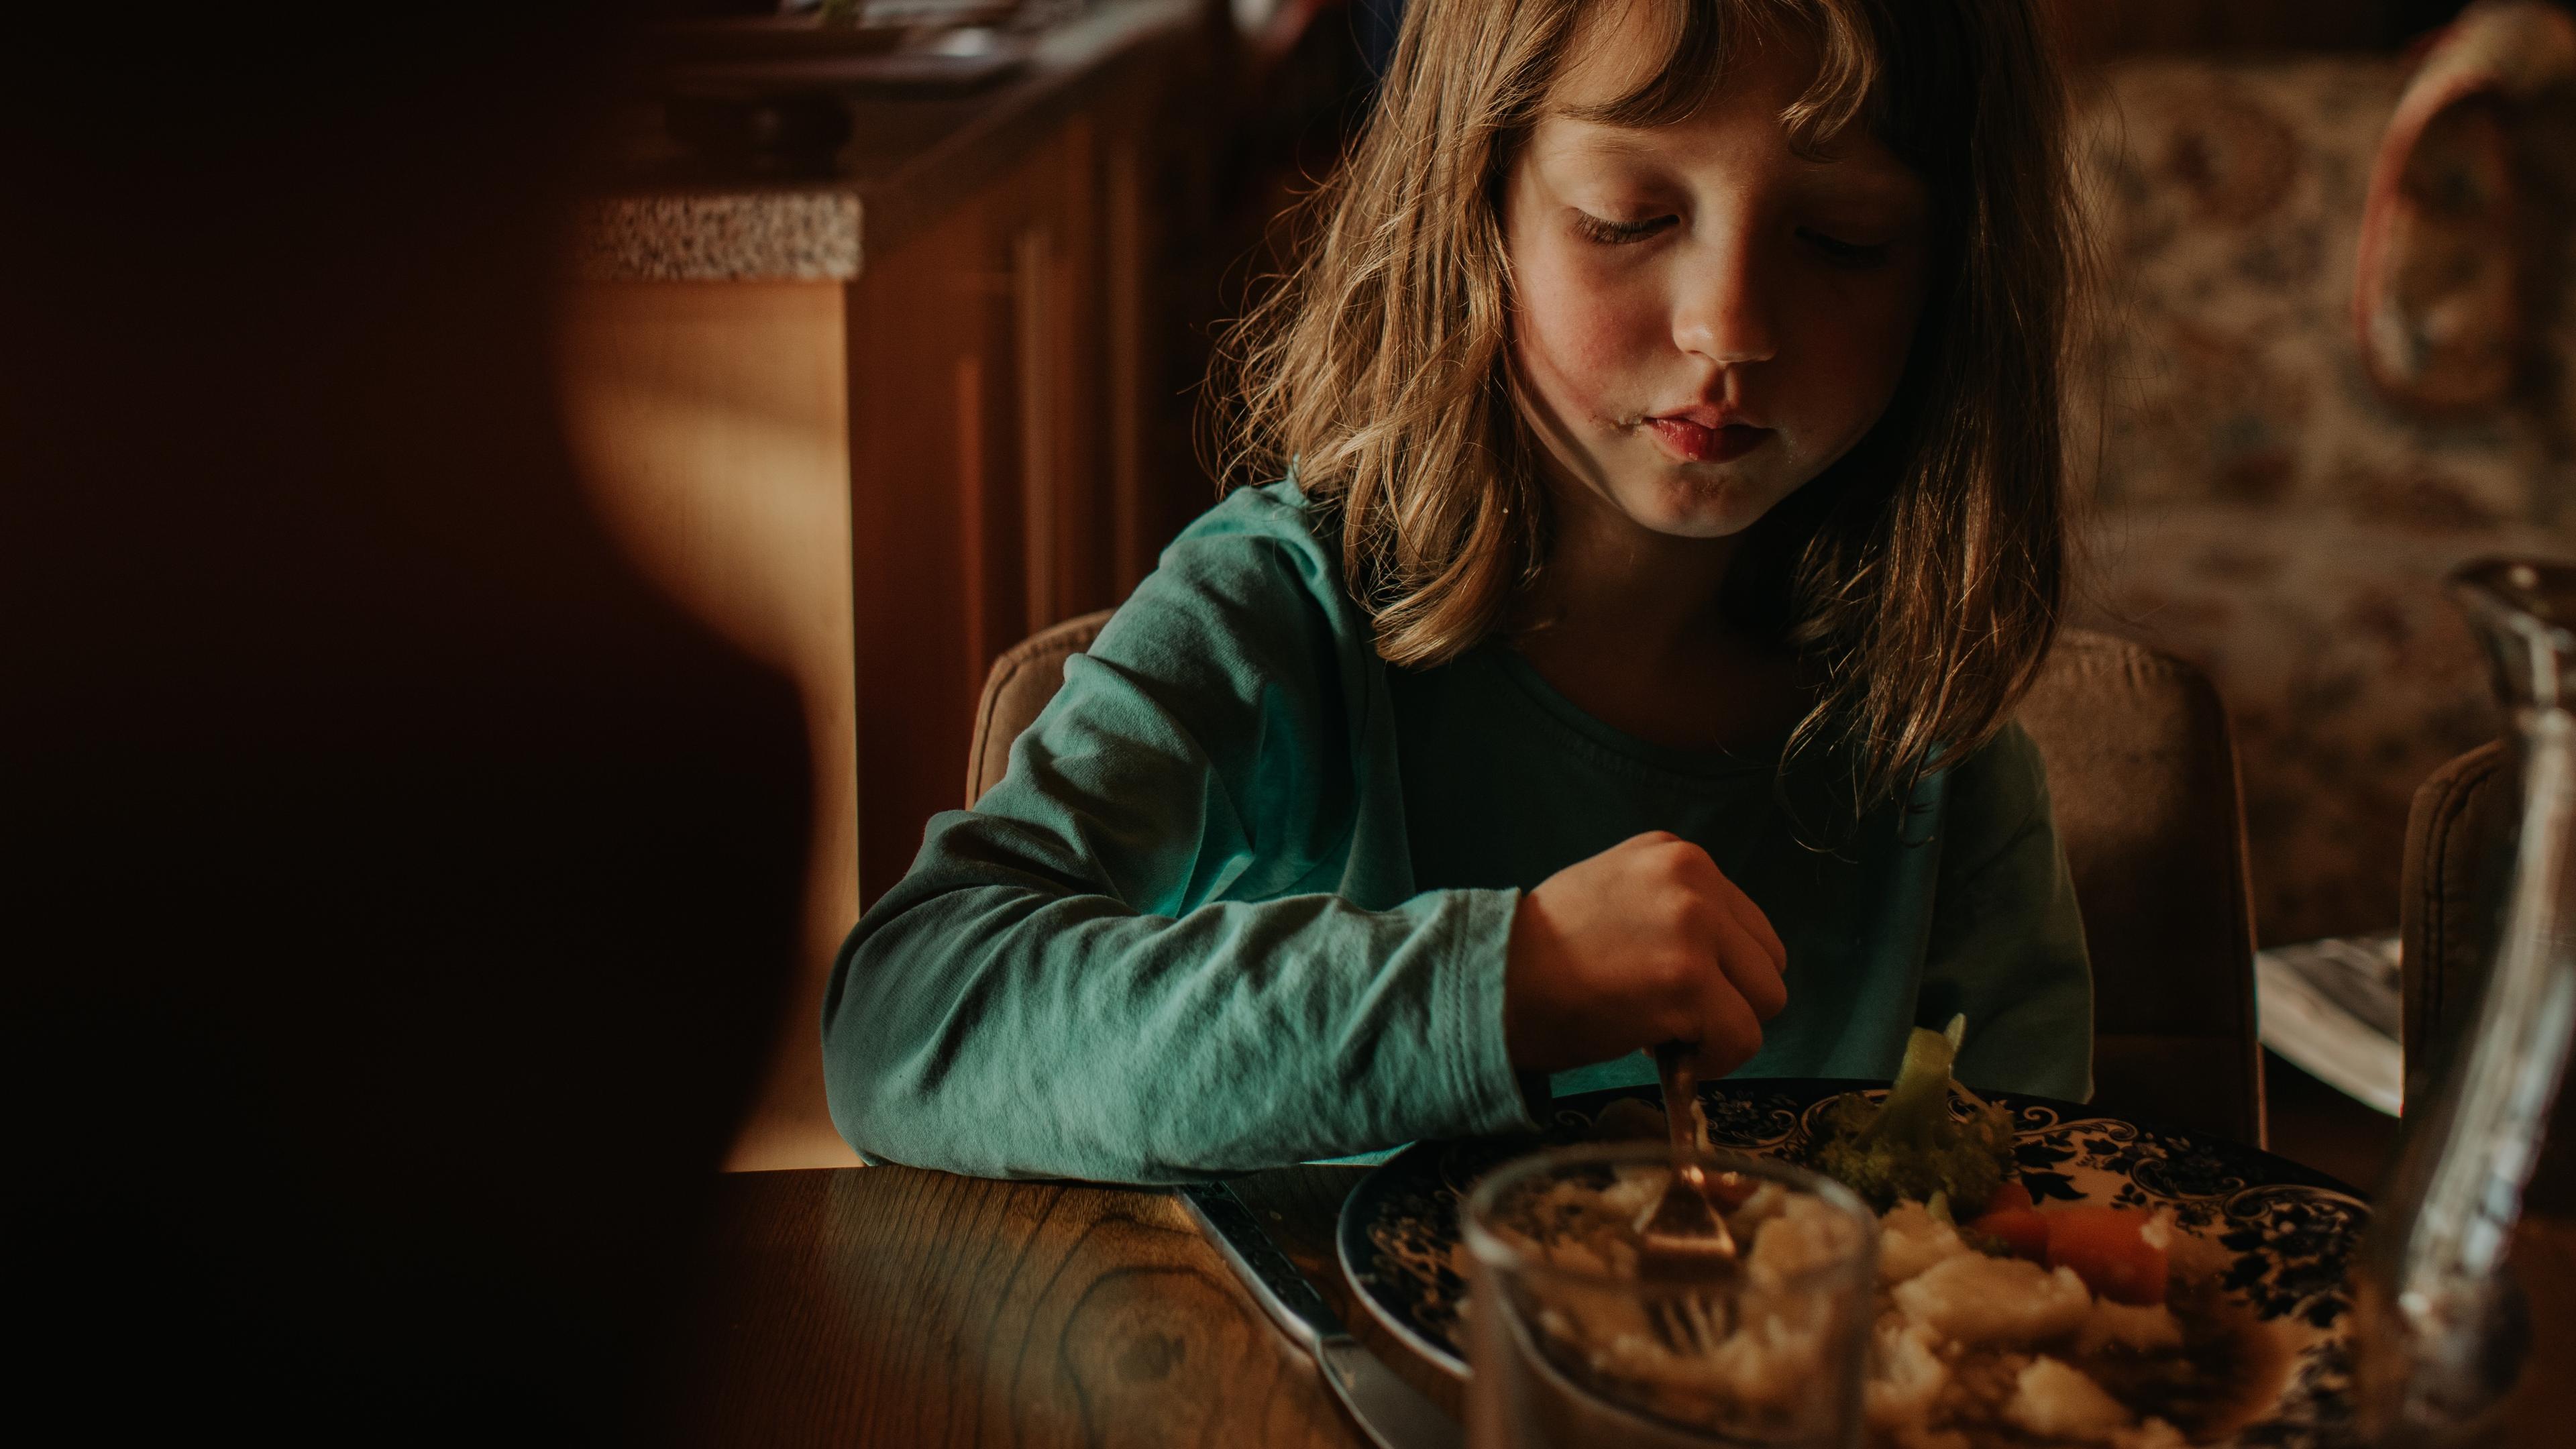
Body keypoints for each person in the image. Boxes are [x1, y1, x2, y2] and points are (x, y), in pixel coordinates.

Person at [825, 0, 2091, 1183]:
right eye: (1628, 215)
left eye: (1844, 242)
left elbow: (2021, 1213)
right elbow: (907, 1017)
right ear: (1474, 206)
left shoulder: (1943, 750)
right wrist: (1496, 986)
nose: (1729, 325)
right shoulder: (1279, 614)